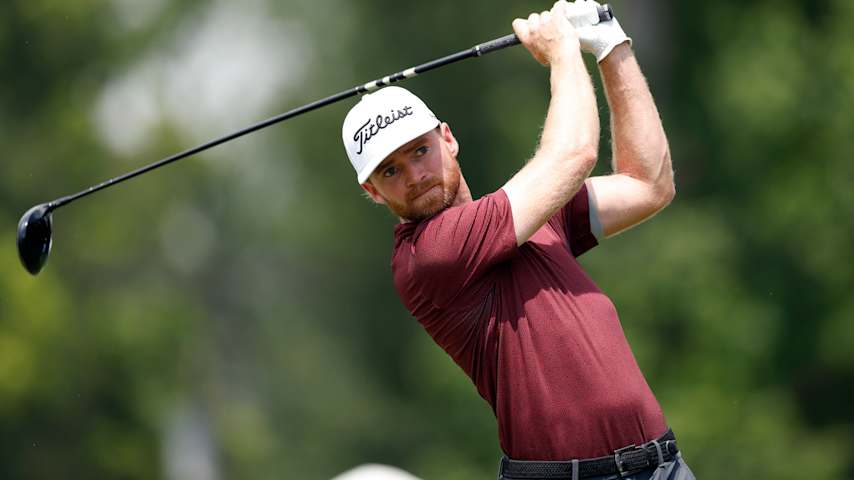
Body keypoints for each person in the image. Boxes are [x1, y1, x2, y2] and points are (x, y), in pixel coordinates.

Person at [341, 1, 695, 479]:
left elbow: (649, 185)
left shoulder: (527, 219)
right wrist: (565, 51)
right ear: (372, 192)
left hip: (663, 466)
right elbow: (573, 154)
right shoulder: (428, 256)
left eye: (420, 150)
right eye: (391, 170)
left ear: (448, 139)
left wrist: (611, 46)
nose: (415, 175)